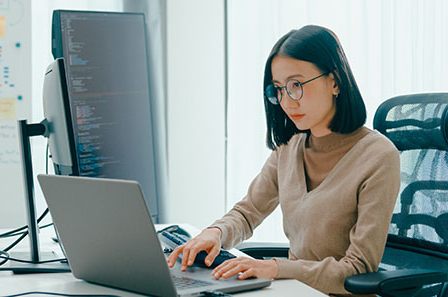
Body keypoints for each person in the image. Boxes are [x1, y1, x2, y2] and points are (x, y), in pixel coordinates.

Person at [167, 25, 400, 296]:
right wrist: (215, 233)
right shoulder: (290, 147)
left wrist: (277, 268)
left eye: (296, 85)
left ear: (334, 81)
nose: (287, 102)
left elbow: (358, 269)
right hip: (294, 290)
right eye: (279, 89)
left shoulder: (378, 156)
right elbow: (247, 212)